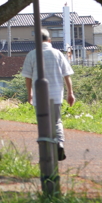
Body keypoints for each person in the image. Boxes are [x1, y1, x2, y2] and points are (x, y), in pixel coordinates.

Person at [22, 29, 75, 161]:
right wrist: (70, 93)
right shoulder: (57, 54)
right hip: (56, 94)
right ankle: (59, 143)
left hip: (39, 95)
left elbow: (27, 77)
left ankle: (46, 151)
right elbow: (66, 75)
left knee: (42, 122)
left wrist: (30, 94)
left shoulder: (32, 54)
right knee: (56, 121)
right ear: (49, 40)